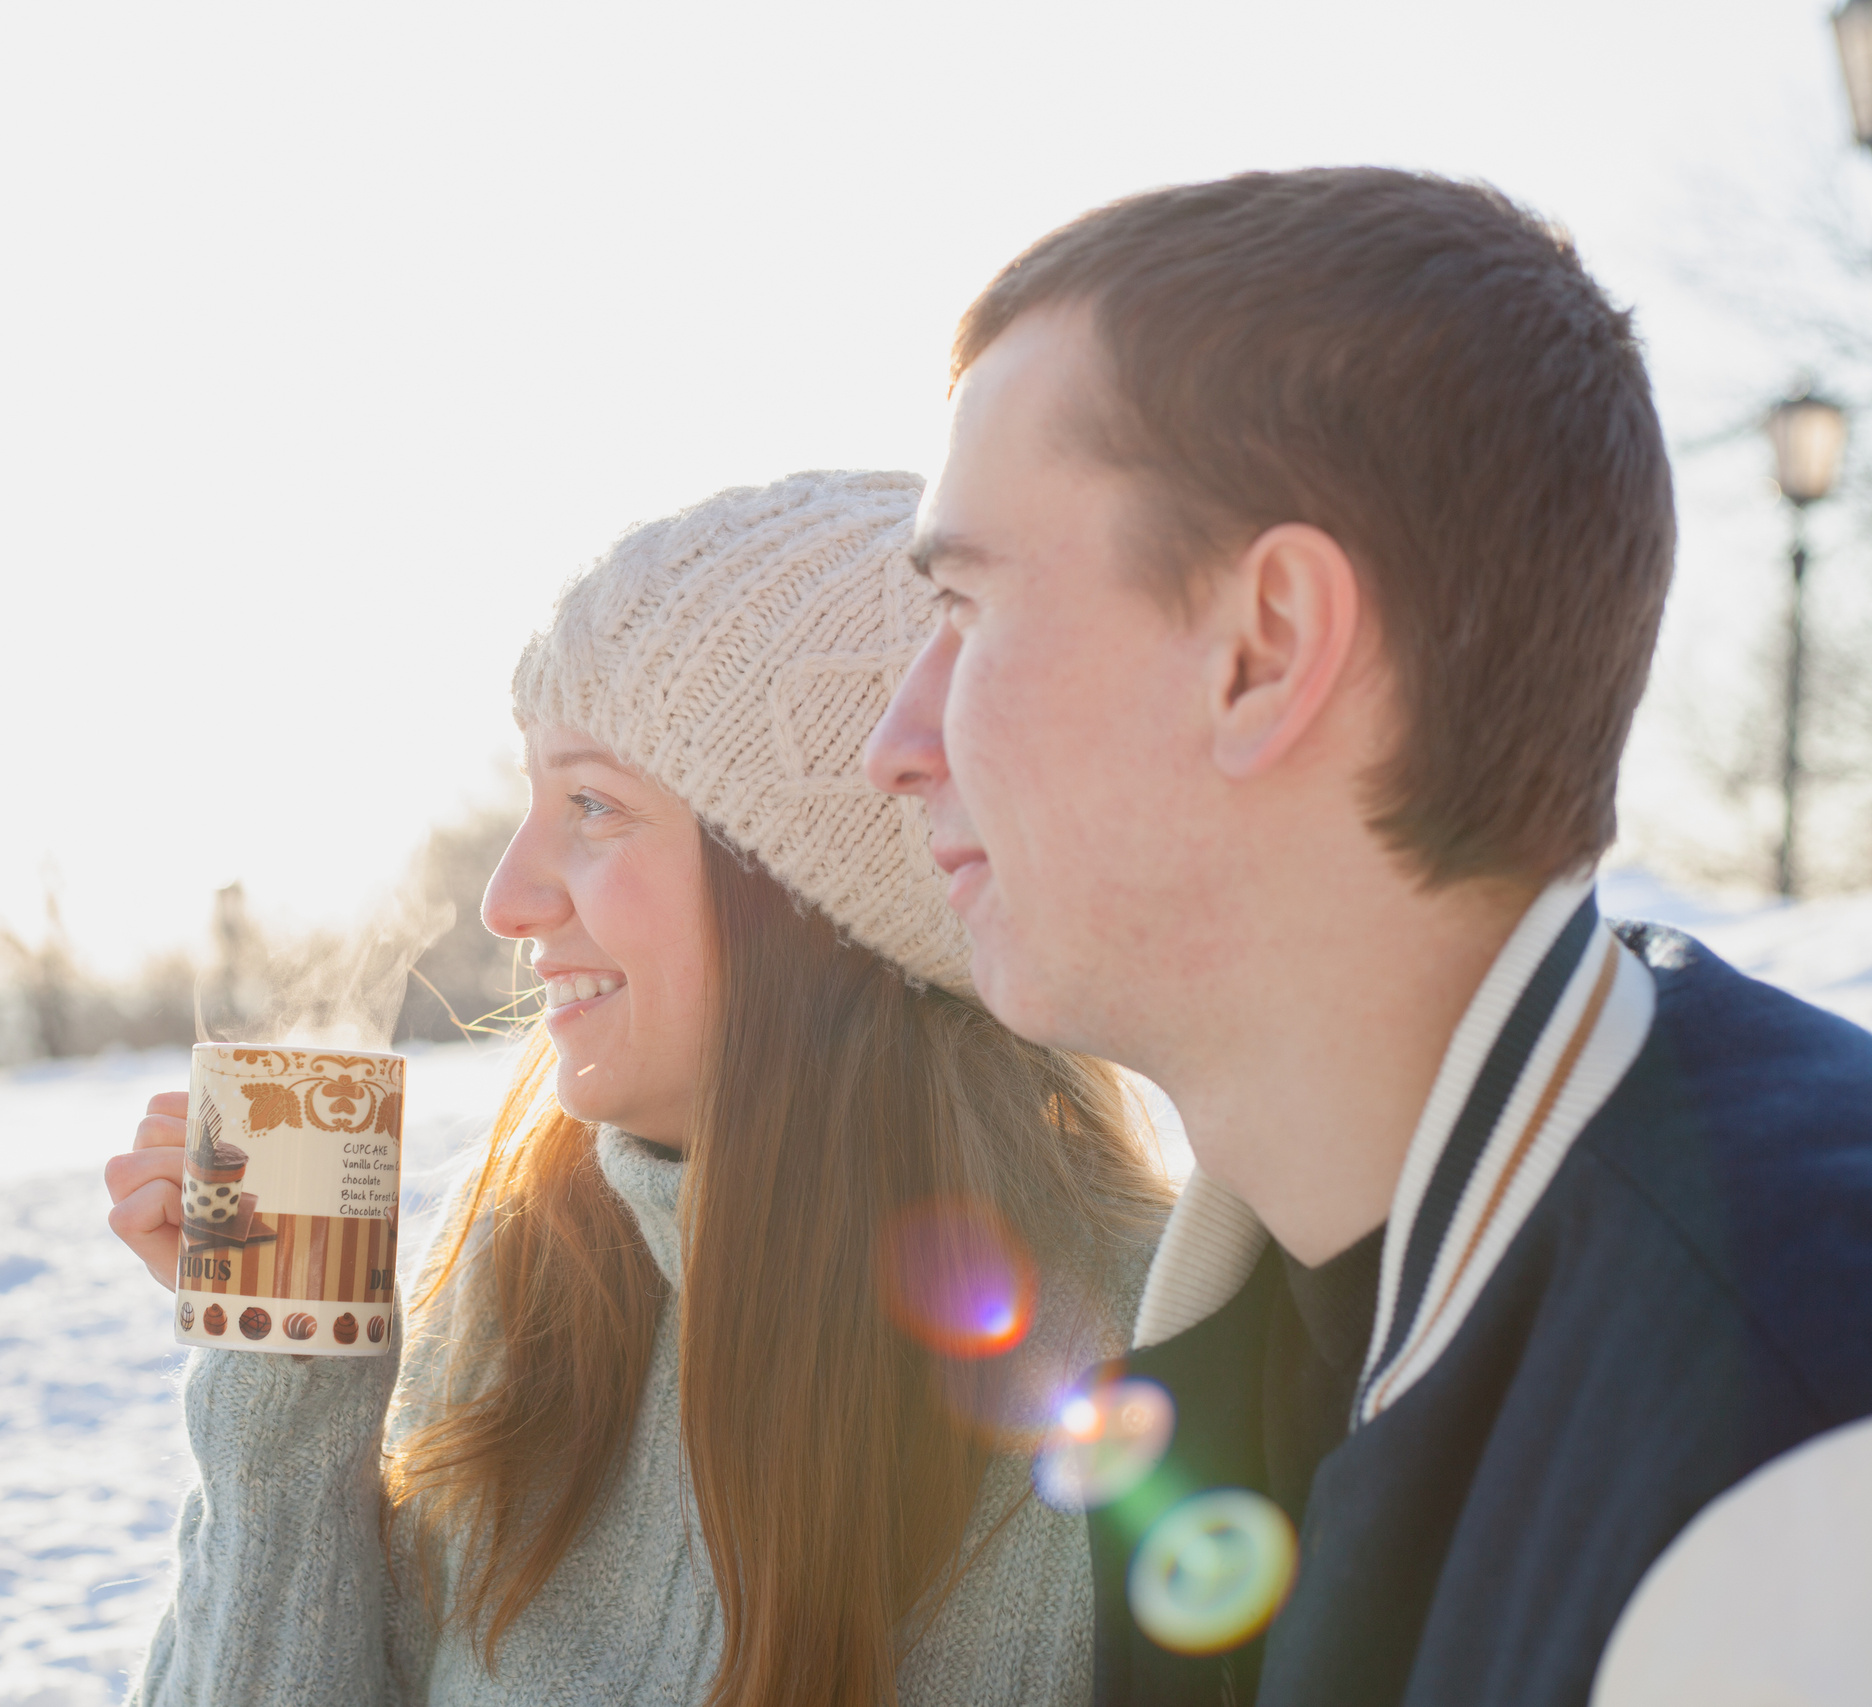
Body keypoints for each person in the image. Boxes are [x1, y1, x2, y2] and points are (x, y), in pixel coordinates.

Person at [865, 167, 1872, 1707]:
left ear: (1266, 648)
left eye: (964, 608)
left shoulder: (1796, 1465)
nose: (897, 740)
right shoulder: (1251, 1331)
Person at [105, 470, 1175, 1707]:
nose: (507, 899)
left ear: (829, 884)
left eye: (594, 804)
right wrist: (284, 1381)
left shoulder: (1149, 1352)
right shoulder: (532, 1280)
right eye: (534, 799)